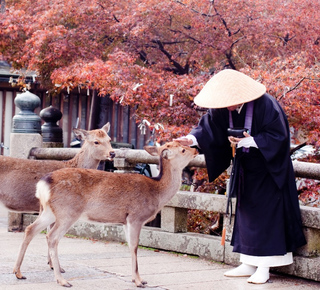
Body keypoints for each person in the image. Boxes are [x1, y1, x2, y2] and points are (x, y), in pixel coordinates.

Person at [175, 69, 306, 284]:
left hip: (269, 170)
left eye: (231, 102)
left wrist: (253, 141)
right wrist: (190, 139)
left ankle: (264, 267)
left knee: (267, 217)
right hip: (245, 168)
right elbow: (208, 129)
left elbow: (278, 136)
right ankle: (247, 261)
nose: (228, 106)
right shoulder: (222, 108)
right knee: (246, 216)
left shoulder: (266, 104)